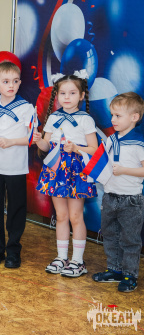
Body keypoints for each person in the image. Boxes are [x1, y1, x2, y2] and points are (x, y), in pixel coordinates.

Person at [35, 72, 97, 278]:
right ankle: (62, 257)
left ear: (81, 95)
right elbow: (46, 145)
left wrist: (76, 148)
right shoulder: (53, 117)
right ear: (57, 95)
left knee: (75, 216)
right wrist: (38, 140)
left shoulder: (85, 119)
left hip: (76, 171)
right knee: (60, 215)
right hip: (56, 170)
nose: (67, 97)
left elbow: (94, 149)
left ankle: (78, 261)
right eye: (63, 93)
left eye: (72, 93)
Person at [0, 62, 41, 269]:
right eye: (5, 82)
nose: (11, 85)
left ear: (20, 83)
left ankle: (13, 250)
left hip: (16, 168)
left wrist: (11, 141)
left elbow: (31, 138)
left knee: (16, 209)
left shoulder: (26, 108)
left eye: (15, 81)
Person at [92, 92, 144, 292]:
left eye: (118, 116)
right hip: (110, 195)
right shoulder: (111, 139)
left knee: (130, 239)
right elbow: (103, 163)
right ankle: (114, 269)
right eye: (112, 115)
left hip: (131, 200)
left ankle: (130, 275)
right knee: (110, 235)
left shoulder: (139, 143)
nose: (113, 119)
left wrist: (124, 170)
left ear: (134, 117)